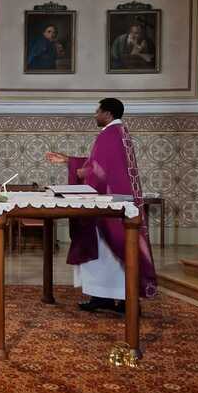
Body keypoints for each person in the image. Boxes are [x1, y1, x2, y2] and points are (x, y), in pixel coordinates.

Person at [45, 98, 157, 312]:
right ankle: (106, 297)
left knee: (110, 251)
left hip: (108, 205)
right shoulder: (120, 133)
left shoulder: (109, 134)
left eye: (98, 111)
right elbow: (100, 165)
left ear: (108, 113)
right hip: (117, 200)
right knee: (113, 253)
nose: (95, 115)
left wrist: (76, 169)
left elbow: (97, 171)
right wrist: (69, 161)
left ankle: (120, 299)